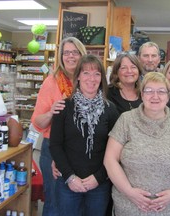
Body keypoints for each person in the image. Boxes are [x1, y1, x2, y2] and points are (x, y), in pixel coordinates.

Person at [104, 72, 170, 216]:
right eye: (149, 91)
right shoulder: (126, 120)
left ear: (168, 96)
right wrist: (129, 191)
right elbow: (110, 159)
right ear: (142, 94)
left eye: (161, 91)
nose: (155, 96)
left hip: (169, 209)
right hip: (128, 207)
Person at [49, 54, 119, 216]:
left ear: (102, 78)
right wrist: (70, 177)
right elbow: (55, 145)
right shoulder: (64, 107)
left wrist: (99, 178)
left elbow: (116, 150)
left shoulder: (110, 110)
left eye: (96, 73)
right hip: (68, 183)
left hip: (99, 185)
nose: (91, 78)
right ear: (78, 76)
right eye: (86, 73)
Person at [31, 36, 87, 216]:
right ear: (61, 56)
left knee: (77, 201)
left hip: (80, 148)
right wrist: (51, 112)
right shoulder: (51, 81)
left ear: (82, 54)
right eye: (66, 53)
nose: (71, 56)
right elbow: (37, 122)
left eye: (75, 52)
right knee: (55, 202)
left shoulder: (88, 80)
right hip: (53, 147)